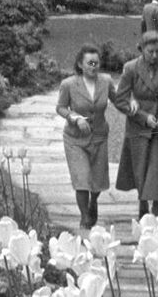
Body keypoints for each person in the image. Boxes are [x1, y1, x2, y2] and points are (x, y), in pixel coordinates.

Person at [113, 30, 158, 219]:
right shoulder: (131, 69)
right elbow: (120, 100)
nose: (154, 56)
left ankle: (155, 214)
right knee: (141, 171)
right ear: (141, 49)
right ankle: (143, 206)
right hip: (139, 127)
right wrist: (143, 116)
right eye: (150, 51)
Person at [56, 45, 113, 229]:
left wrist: (133, 103)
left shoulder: (106, 81)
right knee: (82, 179)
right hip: (75, 139)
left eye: (96, 63)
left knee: (97, 182)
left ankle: (93, 201)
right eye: (90, 63)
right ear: (80, 65)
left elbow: (119, 99)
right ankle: (84, 217)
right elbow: (61, 108)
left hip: (99, 137)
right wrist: (75, 117)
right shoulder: (69, 84)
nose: (94, 66)